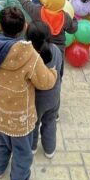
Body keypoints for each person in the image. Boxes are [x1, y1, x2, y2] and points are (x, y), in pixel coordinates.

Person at [0, 7, 57, 180]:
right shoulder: (29, 54)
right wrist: (53, 72)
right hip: (20, 118)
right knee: (22, 152)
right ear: (24, 26)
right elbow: (45, 82)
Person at [10, 0, 78, 72]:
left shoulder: (36, 10)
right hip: (58, 50)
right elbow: (73, 29)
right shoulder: (66, 17)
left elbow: (25, 2)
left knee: (37, 69)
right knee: (57, 69)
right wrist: (74, 20)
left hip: (37, 48)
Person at [26, 21, 63, 159]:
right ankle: (49, 149)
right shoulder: (57, 50)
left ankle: (33, 147)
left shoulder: (29, 56)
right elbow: (61, 72)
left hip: (36, 99)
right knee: (50, 121)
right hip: (54, 96)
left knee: (33, 123)